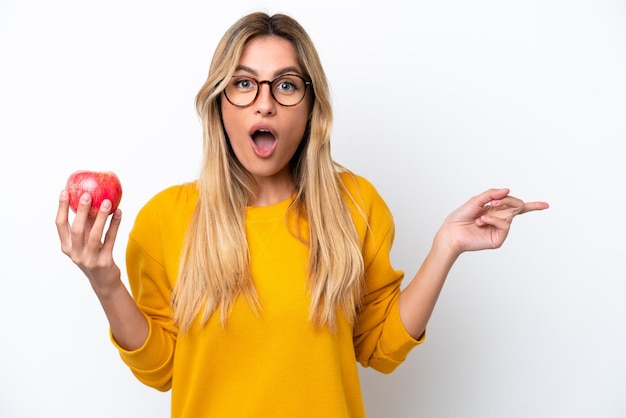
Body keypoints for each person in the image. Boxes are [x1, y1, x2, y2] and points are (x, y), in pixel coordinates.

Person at [55, 11, 549, 418]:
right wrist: (104, 280)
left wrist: (446, 247)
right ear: (220, 104)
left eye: (286, 86)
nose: (264, 104)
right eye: (244, 84)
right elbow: (162, 369)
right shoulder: (165, 218)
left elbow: (379, 348)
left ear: (311, 105)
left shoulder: (355, 204)